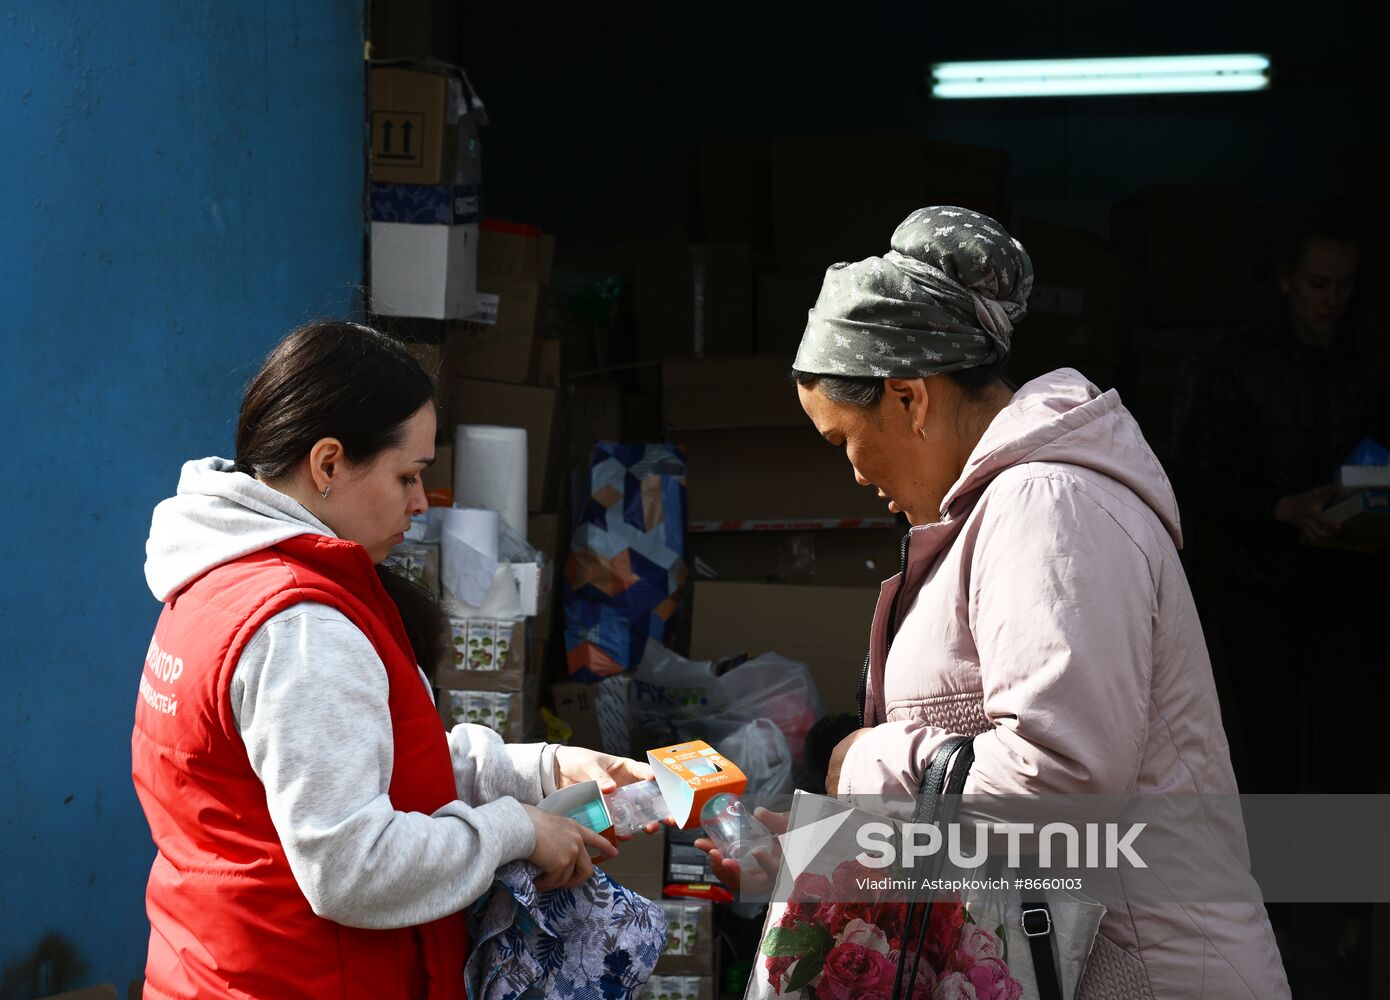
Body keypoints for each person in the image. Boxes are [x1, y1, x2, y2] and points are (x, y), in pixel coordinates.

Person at [699, 207, 1290, 997]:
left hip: (1152, 972)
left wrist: (865, 763)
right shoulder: (1010, 507)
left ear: (909, 398)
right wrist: (828, 850)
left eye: (844, 439)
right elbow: (982, 791)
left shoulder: (1050, 505)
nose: (855, 475)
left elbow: (1061, 787)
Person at [133, 321, 653, 1000]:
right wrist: (514, 829)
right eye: (408, 475)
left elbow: (364, 761)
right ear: (327, 465)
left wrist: (537, 769)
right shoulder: (299, 626)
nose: (418, 503)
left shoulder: (221, 581)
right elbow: (353, 865)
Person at [1182, 203, 1388, 796]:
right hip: (1262, 590)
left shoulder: (1369, 360)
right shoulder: (1241, 364)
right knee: (1273, 759)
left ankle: (1346, 887)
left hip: (1354, 585)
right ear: (1286, 280)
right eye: (1318, 284)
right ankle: (1285, 890)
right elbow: (1194, 478)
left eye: (1344, 286)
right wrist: (1281, 508)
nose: (1331, 300)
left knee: (1349, 756)